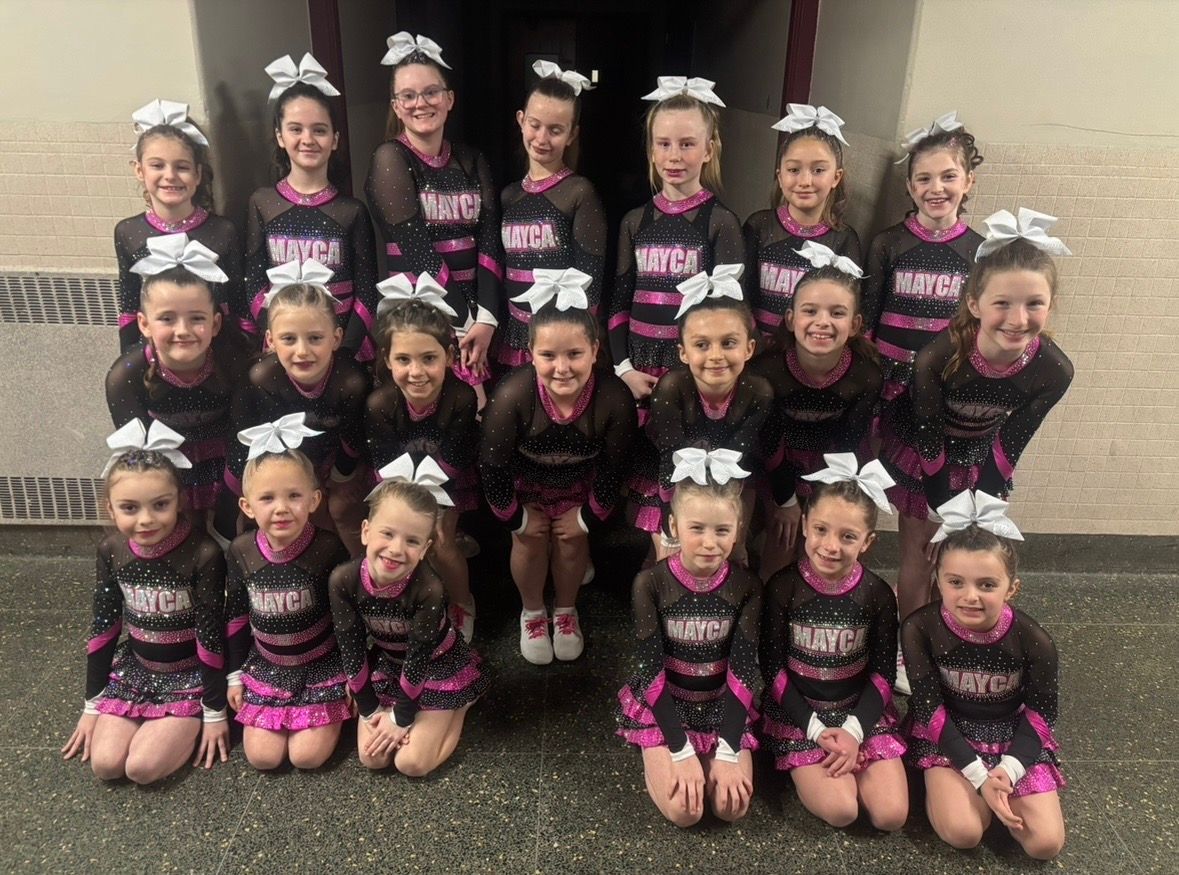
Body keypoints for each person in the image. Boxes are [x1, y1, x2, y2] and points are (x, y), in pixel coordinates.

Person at [882, 209, 1073, 621]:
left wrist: (979, 507)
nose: (1018, 320)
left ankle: (947, 629)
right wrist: (943, 511)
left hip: (980, 454)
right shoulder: (938, 358)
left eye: (1034, 304)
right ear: (974, 303)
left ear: (1051, 305)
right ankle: (911, 636)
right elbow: (928, 438)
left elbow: (1009, 445)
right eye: (1002, 303)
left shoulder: (1053, 371)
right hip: (925, 452)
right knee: (921, 553)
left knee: (961, 557)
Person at [903, 491, 1066, 860]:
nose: (970, 596)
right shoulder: (919, 628)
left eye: (987, 585)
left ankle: (993, 796)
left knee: (1045, 845)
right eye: (956, 582)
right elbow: (928, 708)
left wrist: (1009, 770)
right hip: (948, 732)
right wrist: (978, 776)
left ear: (1012, 588)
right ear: (938, 581)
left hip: (1011, 736)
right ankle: (950, 793)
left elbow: (1043, 713)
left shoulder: (1034, 640)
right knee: (964, 833)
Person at [63, 423, 229, 782]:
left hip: (189, 675)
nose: (146, 519)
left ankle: (182, 725)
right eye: (129, 508)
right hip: (137, 669)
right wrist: (92, 704)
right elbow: (104, 628)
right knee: (106, 765)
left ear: (180, 500)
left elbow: (211, 636)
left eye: (160, 505)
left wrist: (214, 711)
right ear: (110, 509)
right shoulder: (111, 550)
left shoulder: (203, 553)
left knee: (142, 768)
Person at [480, 283, 637, 663]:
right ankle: (532, 612)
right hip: (524, 486)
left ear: (595, 351)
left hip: (580, 486)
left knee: (571, 541)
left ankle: (566, 610)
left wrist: (587, 517)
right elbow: (492, 466)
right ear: (530, 354)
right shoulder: (512, 396)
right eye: (548, 355)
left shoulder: (614, 398)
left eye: (575, 354)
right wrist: (517, 519)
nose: (562, 368)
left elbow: (616, 467)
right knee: (528, 541)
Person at [759, 454, 907, 831]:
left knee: (891, 816)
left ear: (868, 541)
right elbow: (773, 669)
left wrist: (855, 731)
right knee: (842, 810)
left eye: (848, 536)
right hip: (801, 716)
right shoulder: (782, 588)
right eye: (821, 530)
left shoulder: (877, 594)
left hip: (859, 713)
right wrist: (814, 729)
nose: (831, 546)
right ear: (804, 525)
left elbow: (883, 673)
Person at [616, 456, 760, 827]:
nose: (710, 543)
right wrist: (679, 751)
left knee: (731, 807)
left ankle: (711, 753)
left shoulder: (746, 586)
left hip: (720, 703)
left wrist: (727, 751)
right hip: (666, 701)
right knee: (686, 813)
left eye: (722, 530)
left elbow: (744, 671)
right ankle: (659, 752)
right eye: (697, 528)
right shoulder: (650, 584)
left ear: (738, 530)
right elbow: (650, 672)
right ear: (674, 525)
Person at [365, 32, 501, 401]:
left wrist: (487, 317)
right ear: (396, 106)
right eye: (408, 96)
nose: (420, 103)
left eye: (431, 92)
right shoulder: (390, 158)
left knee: (475, 413)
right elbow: (417, 250)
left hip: (475, 315)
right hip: (418, 316)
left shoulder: (472, 159)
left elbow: (490, 239)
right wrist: (465, 321)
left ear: (449, 99)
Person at [329, 466, 487, 775]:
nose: (396, 549)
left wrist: (400, 719)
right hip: (389, 664)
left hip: (436, 665)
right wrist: (370, 708)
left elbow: (419, 658)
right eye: (387, 533)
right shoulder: (343, 580)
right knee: (372, 758)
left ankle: (462, 702)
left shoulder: (429, 588)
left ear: (425, 548)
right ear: (365, 530)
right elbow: (351, 648)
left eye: (412, 541)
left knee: (412, 763)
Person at [609, 77, 744, 411]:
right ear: (651, 151)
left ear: (708, 150)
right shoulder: (634, 222)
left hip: (694, 371)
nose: (674, 156)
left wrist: (705, 370)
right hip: (637, 365)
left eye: (687, 144)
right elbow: (619, 302)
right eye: (664, 144)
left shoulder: (721, 222)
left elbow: (730, 315)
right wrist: (623, 368)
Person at [224, 419, 352, 770]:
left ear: (314, 500)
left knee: (307, 757)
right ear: (247, 506)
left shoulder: (328, 548)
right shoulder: (241, 550)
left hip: (322, 666)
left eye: (294, 496)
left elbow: (347, 619)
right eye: (267, 498)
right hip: (269, 667)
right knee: (262, 758)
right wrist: (234, 675)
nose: (281, 508)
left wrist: (353, 675)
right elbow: (236, 616)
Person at [752, 243, 881, 580]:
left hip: (832, 463)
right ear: (791, 319)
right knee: (782, 541)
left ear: (855, 324)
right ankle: (772, 601)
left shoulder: (865, 376)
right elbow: (768, 441)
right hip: (775, 464)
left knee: (823, 547)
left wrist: (824, 506)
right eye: (810, 311)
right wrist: (786, 502)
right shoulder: (767, 371)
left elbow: (849, 444)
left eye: (837, 313)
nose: (822, 322)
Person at [106, 234, 246, 531]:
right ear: (144, 324)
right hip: (165, 470)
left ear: (215, 323)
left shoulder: (235, 365)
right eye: (167, 319)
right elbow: (141, 462)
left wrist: (228, 505)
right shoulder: (125, 376)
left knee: (230, 531)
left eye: (196, 319)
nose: (183, 330)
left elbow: (243, 441)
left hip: (228, 468)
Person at [218, 280, 369, 552]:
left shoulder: (351, 381)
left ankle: (349, 566)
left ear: (336, 338)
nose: (302, 351)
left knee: (337, 510)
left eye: (315, 338)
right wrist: (243, 497)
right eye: (289, 339)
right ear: (270, 340)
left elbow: (353, 440)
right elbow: (241, 443)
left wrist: (339, 480)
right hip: (276, 463)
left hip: (330, 461)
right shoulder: (259, 379)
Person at [245, 54, 378, 361]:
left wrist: (343, 351)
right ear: (280, 136)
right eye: (296, 129)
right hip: (285, 348)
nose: (308, 139)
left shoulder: (351, 211)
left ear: (335, 139)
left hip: (343, 348)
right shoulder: (262, 203)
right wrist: (278, 338)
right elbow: (253, 284)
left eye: (319, 130)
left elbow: (367, 295)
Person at [366, 291, 479, 640]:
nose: (416, 372)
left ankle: (462, 601)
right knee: (393, 535)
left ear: (449, 357)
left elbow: (456, 459)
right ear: (387, 361)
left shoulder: (461, 397)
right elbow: (383, 465)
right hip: (396, 485)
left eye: (428, 358)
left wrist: (430, 511)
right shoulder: (380, 404)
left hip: (448, 481)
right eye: (404, 359)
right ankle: (392, 599)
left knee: (440, 539)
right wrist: (405, 511)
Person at [636, 272, 770, 561]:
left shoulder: (758, 392)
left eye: (728, 343)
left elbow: (738, 458)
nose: (716, 355)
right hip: (671, 481)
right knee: (673, 558)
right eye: (702, 345)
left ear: (749, 348)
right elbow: (670, 463)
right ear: (683, 352)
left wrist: (728, 525)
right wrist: (671, 528)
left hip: (730, 480)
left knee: (732, 555)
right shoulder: (671, 388)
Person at [861, 111, 984, 399]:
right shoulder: (887, 243)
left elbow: (979, 324)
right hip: (886, 375)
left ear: (968, 181)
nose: (936, 188)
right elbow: (868, 315)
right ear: (910, 186)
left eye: (948, 176)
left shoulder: (980, 251)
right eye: (924, 178)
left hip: (946, 377)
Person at [499, 61, 607, 367]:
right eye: (535, 125)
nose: (542, 138)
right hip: (516, 336)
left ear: (572, 134)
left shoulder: (579, 193)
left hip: (560, 342)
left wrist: (577, 347)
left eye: (555, 130)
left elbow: (589, 282)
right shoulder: (509, 196)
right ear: (521, 120)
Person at [115, 99, 243, 351]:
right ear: (139, 170)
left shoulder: (222, 231)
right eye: (157, 165)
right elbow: (129, 307)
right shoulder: (128, 232)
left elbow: (238, 306)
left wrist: (242, 356)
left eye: (182, 167)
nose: (170, 175)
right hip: (158, 353)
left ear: (198, 174)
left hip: (216, 352)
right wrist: (130, 359)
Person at [743, 104, 860, 339]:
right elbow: (741, 295)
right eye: (794, 169)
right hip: (759, 347)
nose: (805, 181)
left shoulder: (844, 238)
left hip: (812, 349)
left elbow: (845, 308)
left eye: (818, 170)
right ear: (780, 175)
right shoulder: (759, 226)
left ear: (836, 177)